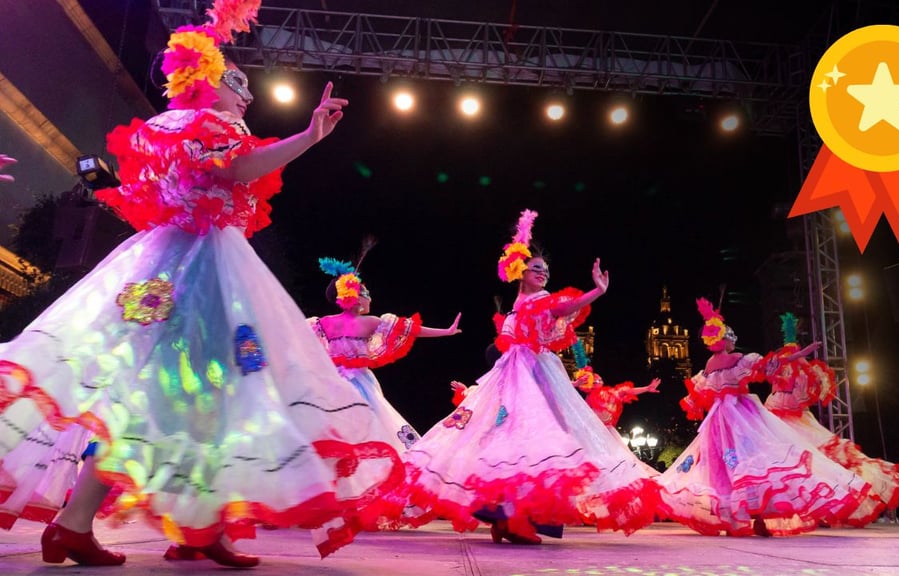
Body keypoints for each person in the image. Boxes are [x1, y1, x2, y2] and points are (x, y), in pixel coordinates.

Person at [0, 1, 404, 567]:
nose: (247, 96)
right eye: (237, 84)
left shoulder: (159, 131)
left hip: (157, 266)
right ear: (205, 78)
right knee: (199, 396)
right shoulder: (212, 126)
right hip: (201, 271)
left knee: (170, 399)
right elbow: (236, 169)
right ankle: (110, 524)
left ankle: (179, 526)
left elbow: (153, 198)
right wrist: (310, 136)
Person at [403, 208, 665, 545]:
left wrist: (595, 292)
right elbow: (551, 314)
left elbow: (561, 308)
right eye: (536, 268)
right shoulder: (523, 302)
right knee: (523, 440)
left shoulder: (534, 300)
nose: (543, 274)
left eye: (546, 270)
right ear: (520, 272)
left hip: (531, 371)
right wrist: (596, 291)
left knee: (522, 442)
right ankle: (511, 518)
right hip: (520, 374)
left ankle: (508, 517)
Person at [657, 298, 873, 537]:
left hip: (719, 422)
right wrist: (800, 354)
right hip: (741, 418)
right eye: (729, 337)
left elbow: (699, 397)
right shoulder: (736, 359)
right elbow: (769, 363)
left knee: (724, 468)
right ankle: (757, 517)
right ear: (722, 340)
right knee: (754, 460)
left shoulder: (709, 365)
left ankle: (733, 518)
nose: (732, 340)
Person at [307, 252, 462, 556]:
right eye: (364, 290)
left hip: (335, 387)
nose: (369, 295)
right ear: (351, 295)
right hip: (354, 388)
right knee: (370, 440)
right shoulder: (365, 322)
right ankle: (355, 502)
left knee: (343, 443)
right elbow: (411, 329)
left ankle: (344, 502)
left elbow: (291, 335)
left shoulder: (324, 324)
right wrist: (445, 331)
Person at [759, 313, 899, 527]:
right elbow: (774, 372)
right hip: (775, 415)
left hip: (790, 418)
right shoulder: (783, 364)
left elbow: (799, 395)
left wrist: (798, 361)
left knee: (810, 462)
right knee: (781, 464)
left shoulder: (800, 370)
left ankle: (819, 508)